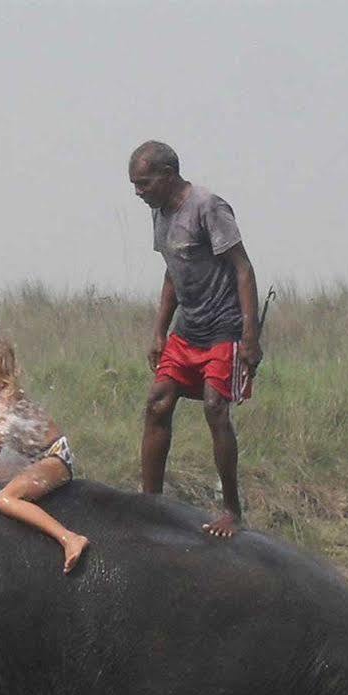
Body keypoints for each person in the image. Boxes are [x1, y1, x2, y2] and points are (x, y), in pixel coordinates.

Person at [129, 139, 262, 537]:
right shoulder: (160, 213)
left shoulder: (208, 207)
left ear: (168, 177)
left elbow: (243, 269)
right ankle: (150, 503)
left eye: (144, 184)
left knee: (214, 407)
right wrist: (159, 331)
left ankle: (231, 510)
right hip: (188, 330)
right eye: (135, 185)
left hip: (224, 328)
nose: (139, 193)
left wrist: (250, 337)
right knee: (157, 402)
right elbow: (173, 271)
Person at [0, 336, 90, 573]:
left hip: (55, 457)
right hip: (33, 459)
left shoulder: (7, 399)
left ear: (7, 375)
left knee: (5, 499)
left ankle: (69, 538)